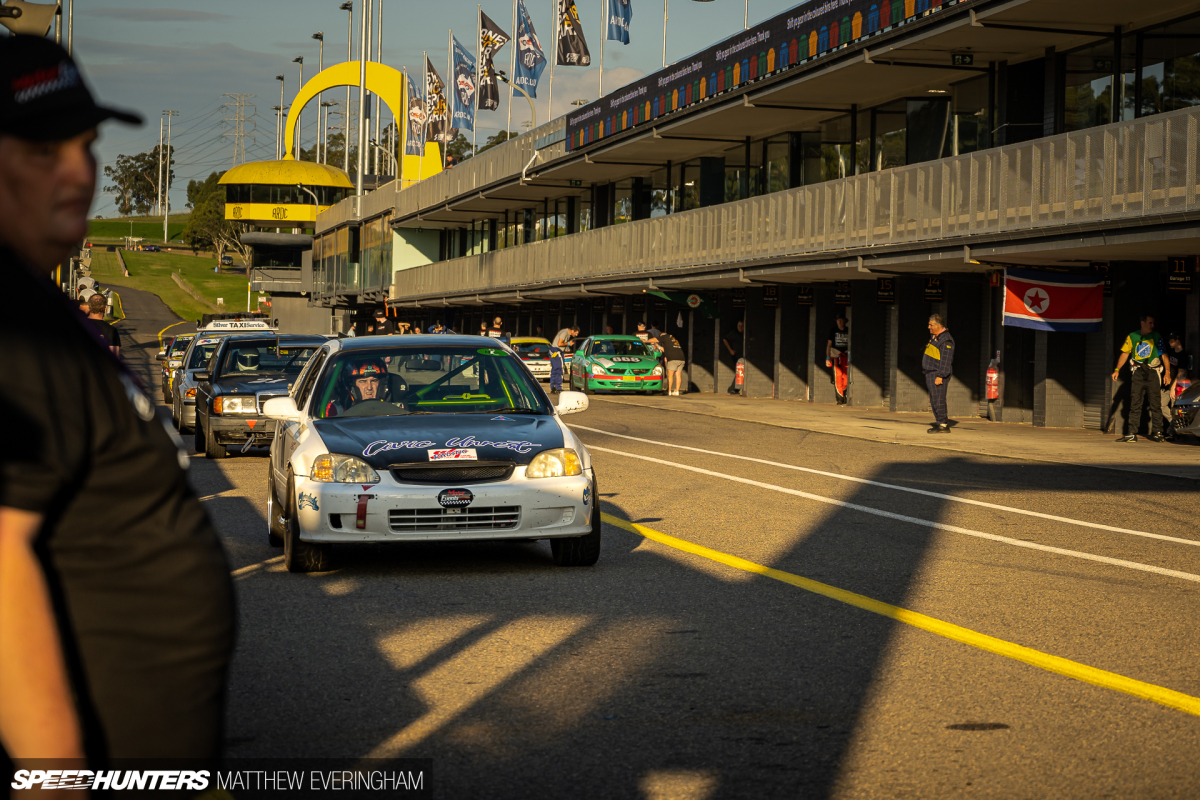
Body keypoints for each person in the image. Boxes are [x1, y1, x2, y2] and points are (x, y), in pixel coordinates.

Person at [0, 34, 235, 776]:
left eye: (87, 145)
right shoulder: (13, 330)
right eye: (45, 150)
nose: (80, 171)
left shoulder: (40, 306)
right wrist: (54, 774)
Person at [1113, 314, 1170, 442]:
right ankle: (1132, 433)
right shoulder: (1132, 336)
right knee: (1135, 403)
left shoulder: (1156, 336)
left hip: (1153, 372)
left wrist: (1167, 373)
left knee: (1155, 404)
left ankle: (1158, 432)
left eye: (1153, 323)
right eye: (1150, 323)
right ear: (1142, 323)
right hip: (1138, 373)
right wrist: (1117, 370)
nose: (1152, 325)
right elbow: (1125, 353)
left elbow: (1164, 355)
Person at [923, 314, 955, 433]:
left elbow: (946, 361)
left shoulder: (946, 340)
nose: (929, 327)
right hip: (931, 373)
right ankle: (939, 422)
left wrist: (941, 376)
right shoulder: (936, 338)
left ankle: (943, 425)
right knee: (934, 399)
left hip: (937, 374)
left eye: (931, 325)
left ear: (938, 325)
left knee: (939, 399)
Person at [1164, 333, 1190, 437]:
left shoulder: (1183, 355)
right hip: (1167, 383)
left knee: (1173, 407)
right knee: (1161, 404)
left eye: (1171, 340)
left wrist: (1173, 387)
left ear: (1177, 341)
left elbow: (1180, 373)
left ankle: (1172, 432)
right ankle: (1173, 424)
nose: (1169, 342)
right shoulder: (1171, 352)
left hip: (1176, 385)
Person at [826, 314, 850, 406]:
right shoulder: (833, 331)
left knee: (846, 377)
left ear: (845, 321)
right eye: (838, 320)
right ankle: (839, 399)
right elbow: (829, 345)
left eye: (842, 320)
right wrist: (828, 358)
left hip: (846, 356)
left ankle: (846, 396)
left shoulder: (848, 330)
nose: (840, 322)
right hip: (836, 356)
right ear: (836, 321)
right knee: (838, 377)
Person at [550, 324, 580, 394]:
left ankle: (553, 387)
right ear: (572, 330)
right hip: (556, 351)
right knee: (560, 369)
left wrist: (566, 347)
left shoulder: (567, 333)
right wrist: (568, 344)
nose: (576, 335)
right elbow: (559, 344)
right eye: (576, 333)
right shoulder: (565, 333)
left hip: (555, 351)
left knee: (555, 369)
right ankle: (558, 387)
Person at [657, 329, 687, 396]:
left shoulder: (666, 342)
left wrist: (658, 346)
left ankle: (669, 391)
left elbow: (665, 350)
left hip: (673, 360)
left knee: (670, 375)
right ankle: (677, 391)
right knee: (678, 375)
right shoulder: (673, 340)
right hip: (681, 359)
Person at [723, 320, 745, 395]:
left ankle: (735, 389)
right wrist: (730, 350)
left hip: (743, 356)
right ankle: (732, 388)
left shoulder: (744, 334)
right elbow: (725, 339)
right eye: (739, 326)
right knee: (740, 371)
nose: (740, 327)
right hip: (736, 356)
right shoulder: (734, 333)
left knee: (741, 372)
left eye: (742, 326)